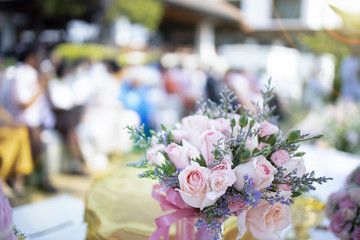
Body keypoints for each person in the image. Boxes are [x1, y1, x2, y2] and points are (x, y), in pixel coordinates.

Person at [7, 44, 57, 192]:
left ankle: (32, 177)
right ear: (30, 58)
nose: (42, 60)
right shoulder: (19, 74)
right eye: (39, 57)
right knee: (35, 138)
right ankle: (38, 178)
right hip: (21, 120)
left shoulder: (35, 74)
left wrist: (45, 85)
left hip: (38, 121)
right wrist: (41, 86)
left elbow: (49, 103)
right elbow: (24, 104)